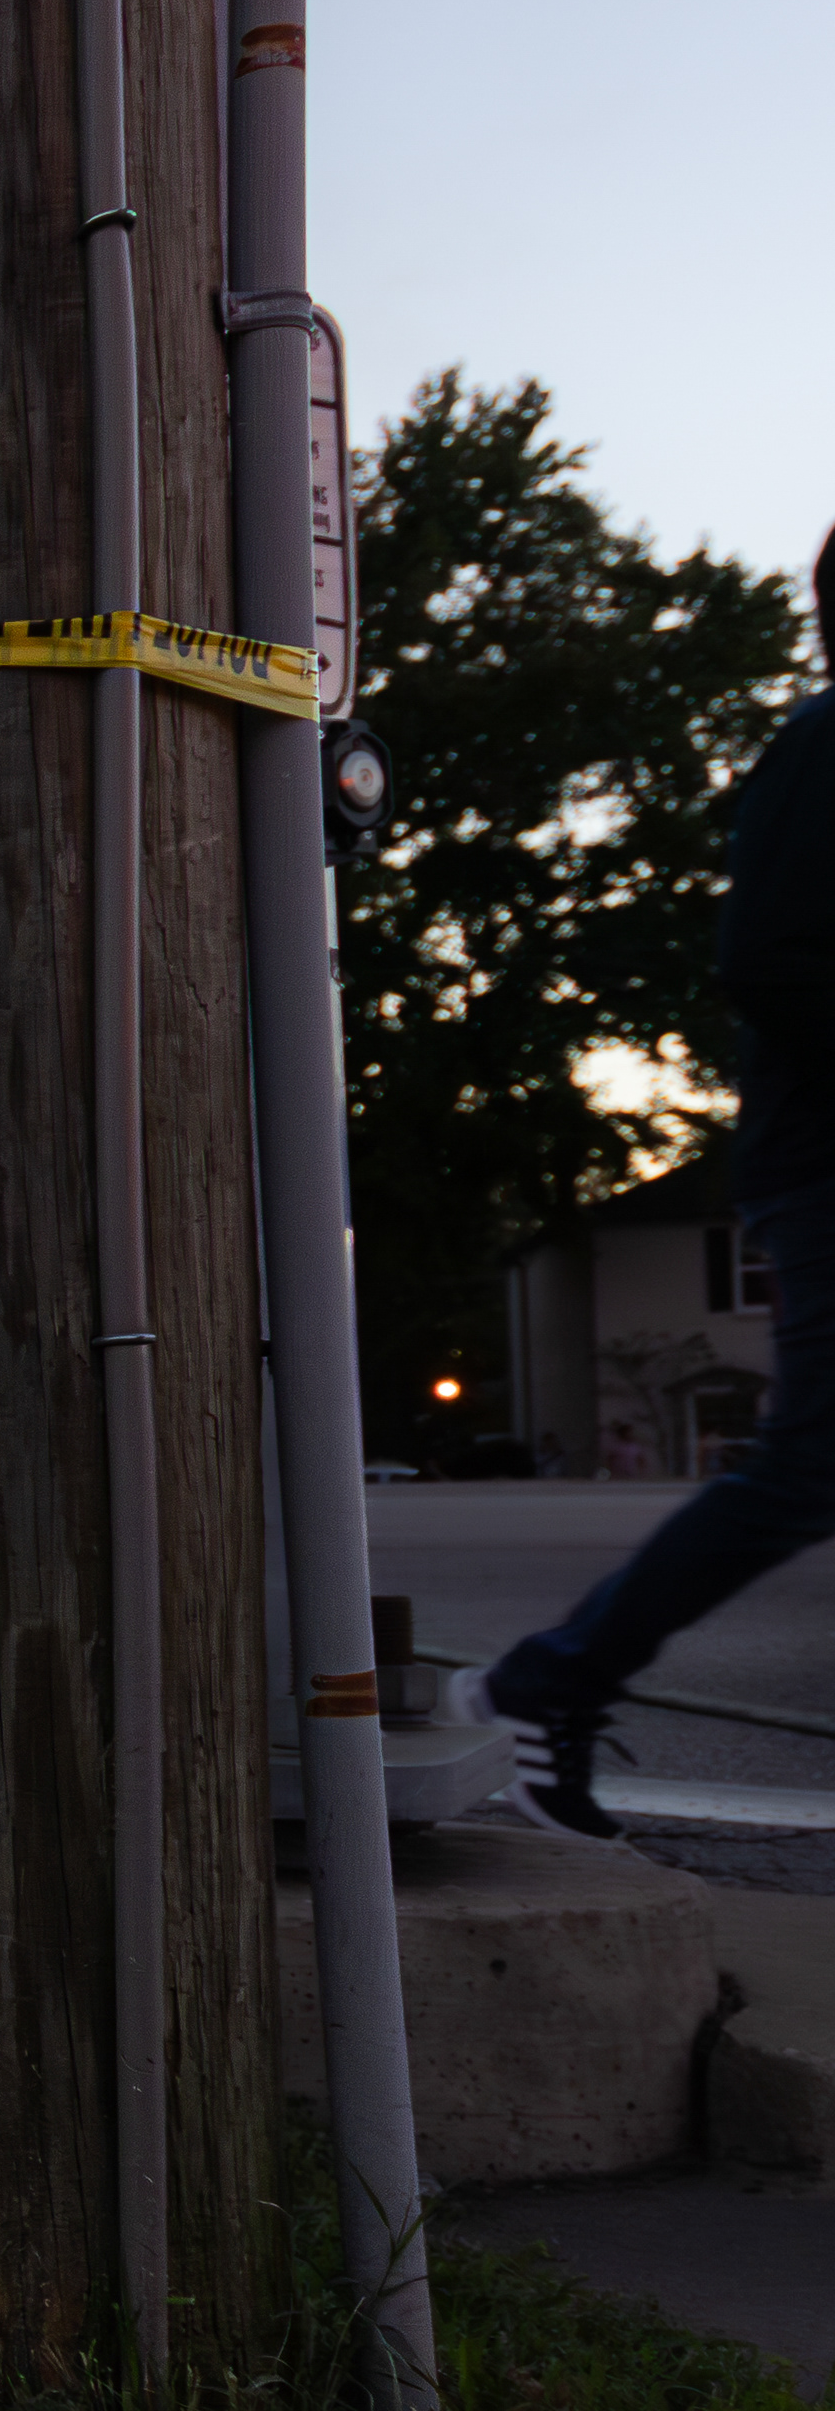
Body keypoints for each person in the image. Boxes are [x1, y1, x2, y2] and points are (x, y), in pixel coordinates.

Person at [460, 525, 835, 1841]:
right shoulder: (825, 747)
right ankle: (551, 1679)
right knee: (810, 1468)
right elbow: (767, 956)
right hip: (826, 1169)